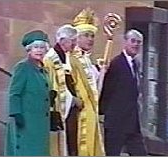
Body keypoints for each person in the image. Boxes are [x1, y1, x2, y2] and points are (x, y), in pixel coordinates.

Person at [99, 29, 148, 156]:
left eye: (139, 42)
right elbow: (107, 90)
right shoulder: (116, 64)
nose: (136, 45)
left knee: (140, 153)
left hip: (132, 121)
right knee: (112, 153)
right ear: (125, 42)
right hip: (117, 121)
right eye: (133, 41)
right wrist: (104, 113)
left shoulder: (135, 64)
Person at [4, 30, 51, 156]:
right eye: (36, 47)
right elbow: (14, 93)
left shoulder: (44, 70)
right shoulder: (23, 67)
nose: (39, 50)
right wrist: (16, 113)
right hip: (25, 121)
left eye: (42, 47)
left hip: (40, 122)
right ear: (29, 49)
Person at [69, 8, 105, 156]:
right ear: (76, 38)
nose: (90, 39)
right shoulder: (71, 58)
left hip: (91, 111)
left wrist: (102, 72)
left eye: (92, 36)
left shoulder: (88, 61)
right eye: (86, 35)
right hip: (77, 111)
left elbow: (96, 90)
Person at [43, 24, 83, 156]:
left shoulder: (65, 57)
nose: (74, 44)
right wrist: (73, 100)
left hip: (70, 109)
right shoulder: (50, 59)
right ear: (62, 40)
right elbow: (54, 86)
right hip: (61, 108)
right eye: (72, 41)